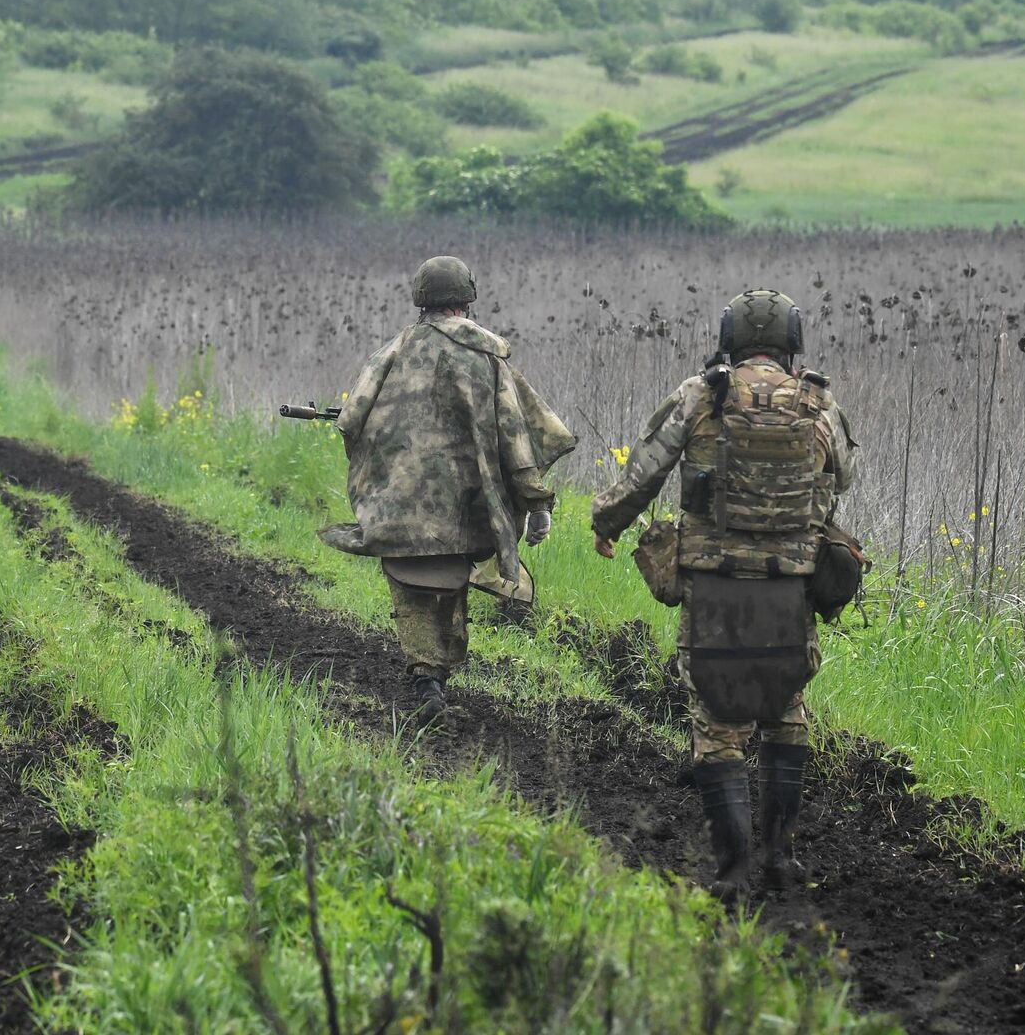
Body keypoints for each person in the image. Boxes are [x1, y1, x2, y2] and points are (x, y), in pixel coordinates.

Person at [590, 289, 858, 900]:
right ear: (791, 343)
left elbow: (642, 474)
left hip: (711, 588)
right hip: (790, 591)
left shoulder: (700, 395)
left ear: (729, 339)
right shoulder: (817, 401)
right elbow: (843, 474)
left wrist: (607, 524)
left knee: (715, 724)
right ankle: (781, 857)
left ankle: (733, 868)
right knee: (786, 714)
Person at [320, 256, 576, 729]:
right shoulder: (488, 358)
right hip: (466, 509)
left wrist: (383, 475)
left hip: (399, 505)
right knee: (451, 571)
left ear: (421, 300)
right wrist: (537, 503)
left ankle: (426, 676)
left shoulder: (390, 353)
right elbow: (521, 438)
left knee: (411, 579)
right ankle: (436, 672)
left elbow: (351, 423)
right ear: (467, 300)